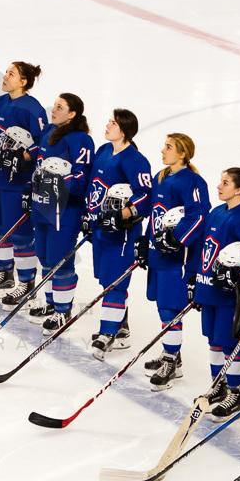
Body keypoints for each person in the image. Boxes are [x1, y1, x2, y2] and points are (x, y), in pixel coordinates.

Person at [192, 168, 240, 417]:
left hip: (231, 296)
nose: (219, 186)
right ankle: (219, 385)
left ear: (239, 189)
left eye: (225, 183)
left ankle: (235, 392)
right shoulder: (216, 212)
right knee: (214, 342)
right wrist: (193, 280)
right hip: (209, 288)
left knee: (230, 343)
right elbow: (205, 250)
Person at [140, 133, 210, 390]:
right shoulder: (162, 177)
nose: (163, 151)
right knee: (161, 303)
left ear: (182, 153)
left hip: (177, 257)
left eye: (168, 147)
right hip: (159, 251)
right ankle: (172, 353)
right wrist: (145, 241)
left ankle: (171, 360)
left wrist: (177, 240)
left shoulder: (192, 181)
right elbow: (155, 214)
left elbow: (199, 217)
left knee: (171, 306)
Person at [83, 109, 153, 360]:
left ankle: (108, 333)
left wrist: (124, 213)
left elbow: (146, 196)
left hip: (123, 234)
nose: (108, 125)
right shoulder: (103, 151)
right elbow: (93, 187)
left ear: (123, 130)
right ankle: (121, 328)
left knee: (115, 282)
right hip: (101, 229)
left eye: (113, 123)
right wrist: (88, 214)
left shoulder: (135, 160)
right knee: (105, 278)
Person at [0, 62, 47, 299]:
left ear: (23, 81)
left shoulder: (32, 109)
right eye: (6, 72)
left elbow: (42, 144)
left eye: (11, 74)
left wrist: (24, 156)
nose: (5, 77)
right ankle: (5, 274)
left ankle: (27, 283)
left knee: (20, 234)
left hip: (17, 182)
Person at [28, 93, 94, 334]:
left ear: (73, 114)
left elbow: (81, 178)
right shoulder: (48, 132)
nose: (53, 110)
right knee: (45, 256)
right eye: (54, 105)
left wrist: (59, 181)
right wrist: (32, 190)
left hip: (64, 211)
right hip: (42, 205)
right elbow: (39, 166)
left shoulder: (81, 140)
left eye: (60, 107)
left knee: (60, 260)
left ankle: (62, 310)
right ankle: (50, 303)